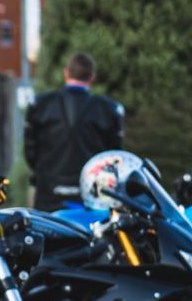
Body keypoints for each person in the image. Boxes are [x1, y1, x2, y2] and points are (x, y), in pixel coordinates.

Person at [24, 51, 125, 211]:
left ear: (66, 73)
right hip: (91, 199)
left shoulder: (40, 105)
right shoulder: (109, 110)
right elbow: (113, 157)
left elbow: (30, 154)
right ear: (92, 78)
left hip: (48, 196)